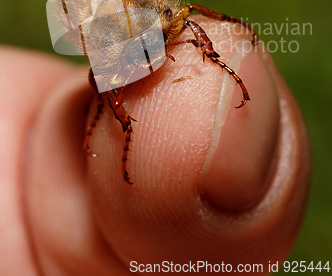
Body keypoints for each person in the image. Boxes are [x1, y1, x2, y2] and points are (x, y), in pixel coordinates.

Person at [0, 18, 311, 275]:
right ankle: (121, 121)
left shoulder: (164, 23)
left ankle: (211, 56)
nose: (146, 66)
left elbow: (183, 17)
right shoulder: (110, 50)